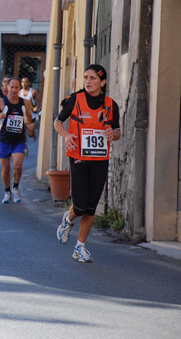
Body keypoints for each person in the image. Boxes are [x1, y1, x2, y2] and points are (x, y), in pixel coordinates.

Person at [54, 64, 120, 262]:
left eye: (92, 78)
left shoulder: (110, 105)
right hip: (79, 157)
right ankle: (68, 218)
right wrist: (66, 135)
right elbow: (57, 122)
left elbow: (117, 133)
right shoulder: (76, 99)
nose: (88, 82)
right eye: (86, 78)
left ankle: (80, 247)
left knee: (91, 208)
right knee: (80, 205)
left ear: (102, 82)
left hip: (100, 159)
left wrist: (113, 134)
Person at [0, 77, 35, 204]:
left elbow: (29, 118)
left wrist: (29, 124)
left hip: (19, 141)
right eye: (12, 87)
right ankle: (7, 191)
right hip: (4, 140)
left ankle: (16, 187)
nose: (14, 90)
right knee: (5, 169)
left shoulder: (25, 103)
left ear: (19, 88)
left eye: (16, 87)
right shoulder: (1, 103)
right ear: (7, 88)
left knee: (17, 166)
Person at [19, 77, 41, 154]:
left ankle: (33, 134)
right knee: (23, 132)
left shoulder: (33, 92)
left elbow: (39, 100)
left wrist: (36, 107)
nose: (24, 83)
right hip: (22, 115)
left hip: (31, 115)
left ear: (29, 83)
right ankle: (25, 147)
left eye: (25, 82)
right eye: (22, 82)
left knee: (30, 133)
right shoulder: (19, 93)